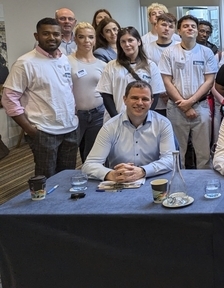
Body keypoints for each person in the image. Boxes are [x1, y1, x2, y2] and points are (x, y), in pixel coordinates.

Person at [2, 18, 79, 177]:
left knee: (67, 176)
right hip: (44, 131)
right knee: (47, 177)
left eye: (56, 34)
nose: (52, 37)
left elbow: (67, 90)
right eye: (46, 34)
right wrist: (29, 129)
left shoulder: (64, 59)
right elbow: (9, 99)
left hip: (69, 128)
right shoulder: (25, 63)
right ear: (37, 36)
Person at [82, 81, 175, 181]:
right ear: (125, 100)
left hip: (153, 180)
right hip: (120, 181)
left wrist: (143, 171)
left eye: (145, 99)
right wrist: (111, 174)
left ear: (151, 102)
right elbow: (89, 165)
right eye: (134, 98)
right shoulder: (110, 127)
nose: (139, 103)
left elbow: (170, 159)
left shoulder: (163, 124)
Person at [160, 15, 218, 169]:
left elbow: (209, 81)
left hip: (201, 107)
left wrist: (190, 103)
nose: (190, 28)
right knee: (177, 153)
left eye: (193, 26)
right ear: (178, 31)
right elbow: (166, 81)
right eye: (185, 26)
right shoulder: (169, 52)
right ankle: (179, 185)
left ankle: (204, 185)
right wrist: (183, 105)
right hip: (176, 107)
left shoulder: (206, 52)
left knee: (203, 153)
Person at [96, 27, 165, 122]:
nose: (127, 44)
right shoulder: (111, 66)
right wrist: (117, 119)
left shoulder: (151, 66)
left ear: (139, 42)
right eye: (123, 42)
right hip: (115, 119)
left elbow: (155, 95)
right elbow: (106, 95)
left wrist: (144, 117)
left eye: (130, 40)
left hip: (142, 120)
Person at [68, 22, 106, 163]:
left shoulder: (102, 65)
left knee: (93, 155)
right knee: (70, 154)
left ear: (95, 39)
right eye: (82, 37)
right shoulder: (66, 62)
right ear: (75, 39)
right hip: (75, 115)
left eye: (90, 37)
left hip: (97, 114)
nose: (87, 41)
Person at [142, 13, 177, 116]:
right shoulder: (146, 49)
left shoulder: (179, 48)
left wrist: (170, 92)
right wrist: (160, 91)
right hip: (155, 100)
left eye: (170, 27)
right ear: (156, 26)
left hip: (176, 100)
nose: (167, 29)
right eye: (163, 25)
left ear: (174, 30)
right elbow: (145, 73)